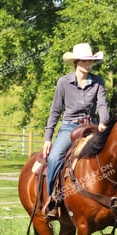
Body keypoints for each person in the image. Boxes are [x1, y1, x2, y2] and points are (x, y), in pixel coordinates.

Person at [42, 42, 109, 217]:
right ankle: (52, 200)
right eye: (85, 61)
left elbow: (102, 105)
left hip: (92, 127)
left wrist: (103, 121)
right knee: (55, 158)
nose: (89, 64)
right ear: (76, 63)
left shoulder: (98, 82)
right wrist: (48, 138)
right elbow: (55, 111)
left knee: (116, 150)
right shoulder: (63, 83)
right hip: (69, 128)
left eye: (90, 61)